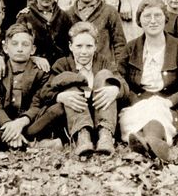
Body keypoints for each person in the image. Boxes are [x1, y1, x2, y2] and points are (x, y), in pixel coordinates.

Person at [118, 0, 178, 164]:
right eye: (147, 16)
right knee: (145, 110)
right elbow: (119, 78)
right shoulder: (131, 48)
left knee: (157, 109)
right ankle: (154, 144)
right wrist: (134, 100)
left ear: (165, 18)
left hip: (167, 107)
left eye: (157, 15)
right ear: (139, 20)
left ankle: (150, 141)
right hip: (136, 105)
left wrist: (170, 101)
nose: (152, 21)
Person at [46, 21, 127, 157]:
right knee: (69, 80)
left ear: (95, 46)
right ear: (71, 46)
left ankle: (105, 136)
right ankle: (82, 137)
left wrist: (115, 90)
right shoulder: (62, 64)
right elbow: (45, 91)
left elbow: (124, 86)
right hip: (75, 123)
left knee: (105, 75)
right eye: (79, 46)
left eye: (89, 46)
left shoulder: (103, 62)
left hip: (102, 118)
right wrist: (60, 97)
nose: (84, 51)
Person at [0, 23, 64, 150]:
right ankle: (29, 145)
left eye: (25, 45)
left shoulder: (41, 72)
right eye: (14, 44)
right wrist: (9, 124)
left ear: (33, 49)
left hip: (29, 123)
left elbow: (37, 104)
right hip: (4, 123)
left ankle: (10, 142)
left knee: (57, 109)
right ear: (5, 48)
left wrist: (21, 122)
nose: (19, 49)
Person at [65, 0, 127, 65]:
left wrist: (117, 71)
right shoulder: (68, 15)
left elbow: (120, 46)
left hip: (103, 70)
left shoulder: (109, 12)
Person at [16, 0, 73, 65]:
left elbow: (70, 46)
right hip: (34, 68)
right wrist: (33, 58)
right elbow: (18, 47)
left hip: (60, 68)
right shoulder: (25, 17)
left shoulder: (64, 17)